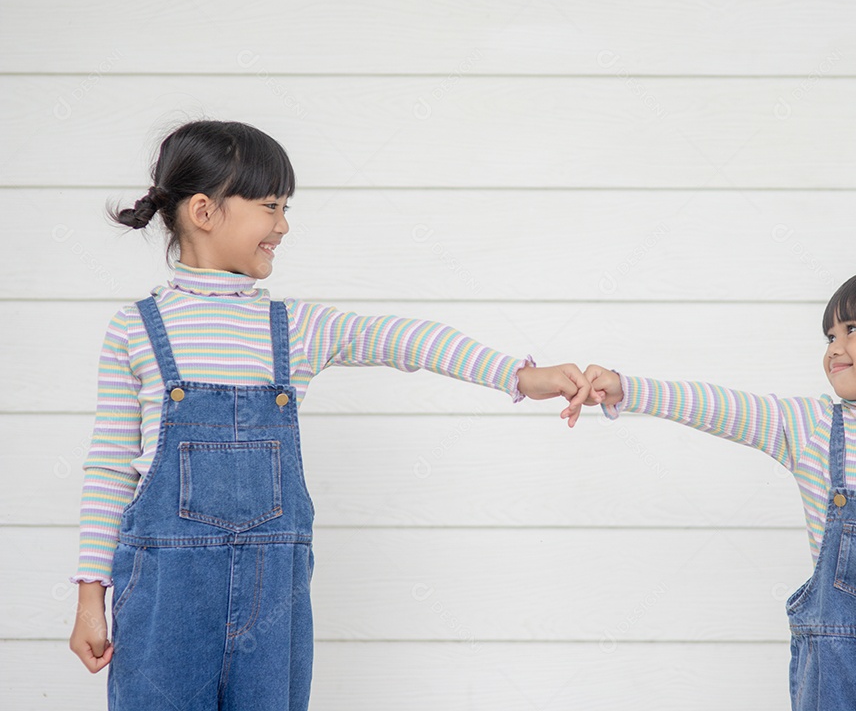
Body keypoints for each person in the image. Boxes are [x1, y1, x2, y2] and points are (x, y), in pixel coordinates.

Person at [67, 120, 597, 710]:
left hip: (273, 606)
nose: (283, 225)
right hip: (164, 601)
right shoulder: (135, 329)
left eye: (285, 208)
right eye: (271, 207)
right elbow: (111, 469)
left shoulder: (296, 327)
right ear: (204, 211)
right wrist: (92, 597)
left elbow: (407, 340)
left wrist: (520, 376)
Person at [584, 269, 856, 710]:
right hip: (835, 663)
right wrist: (627, 389)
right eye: (829, 336)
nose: (834, 348)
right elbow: (722, 407)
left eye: (851, 329)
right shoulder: (814, 426)